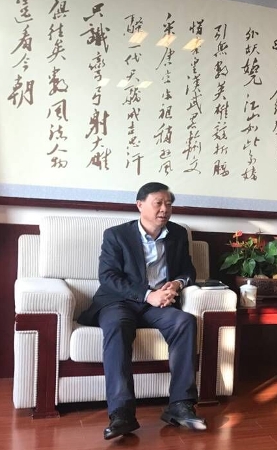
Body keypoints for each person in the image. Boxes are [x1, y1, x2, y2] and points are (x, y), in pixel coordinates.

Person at [78, 182, 206, 439]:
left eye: (168, 204)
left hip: (158, 305)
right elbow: (108, 277)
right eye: (158, 203)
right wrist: (149, 295)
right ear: (140, 205)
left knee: (184, 322)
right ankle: (122, 413)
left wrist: (177, 284)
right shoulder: (116, 235)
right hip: (119, 302)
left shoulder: (178, 233)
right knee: (117, 325)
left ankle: (180, 405)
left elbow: (187, 270)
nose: (164, 209)